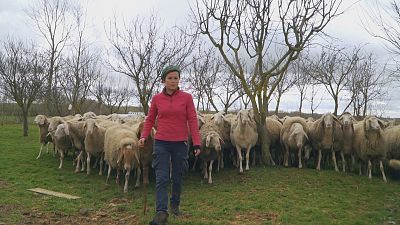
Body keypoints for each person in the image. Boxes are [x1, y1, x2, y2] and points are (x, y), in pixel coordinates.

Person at [138, 65, 201, 225]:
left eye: (176, 78)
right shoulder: (157, 99)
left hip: (180, 142)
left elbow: (193, 120)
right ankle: (161, 212)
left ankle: (174, 204)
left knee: (177, 177)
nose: (173, 81)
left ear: (179, 80)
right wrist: (144, 136)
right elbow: (150, 119)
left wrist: (197, 142)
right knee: (162, 178)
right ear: (163, 80)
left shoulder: (187, 98)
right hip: (161, 142)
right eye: (170, 78)